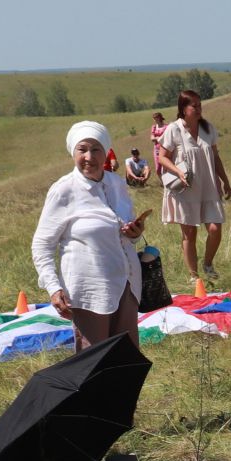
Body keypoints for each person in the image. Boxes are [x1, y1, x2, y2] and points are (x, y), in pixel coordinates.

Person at [31, 120, 143, 355]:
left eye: (96, 149)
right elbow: (42, 245)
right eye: (82, 150)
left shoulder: (116, 183)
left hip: (127, 284)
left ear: (106, 152)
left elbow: (124, 228)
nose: (89, 157)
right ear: (73, 152)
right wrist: (53, 287)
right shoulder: (64, 190)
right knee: (93, 363)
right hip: (89, 291)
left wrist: (134, 233)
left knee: (125, 359)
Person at [156, 89, 230, 283]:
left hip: (208, 186)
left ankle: (208, 264)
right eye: (194, 106)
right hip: (185, 188)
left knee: (215, 228)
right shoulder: (174, 129)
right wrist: (178, 171)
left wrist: (225, 180)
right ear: (183, 108)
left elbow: (215, 157)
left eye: (200, 105)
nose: (198, 109)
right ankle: (193, 276)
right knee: (190, 232)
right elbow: (162, 157)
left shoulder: (208, 129)